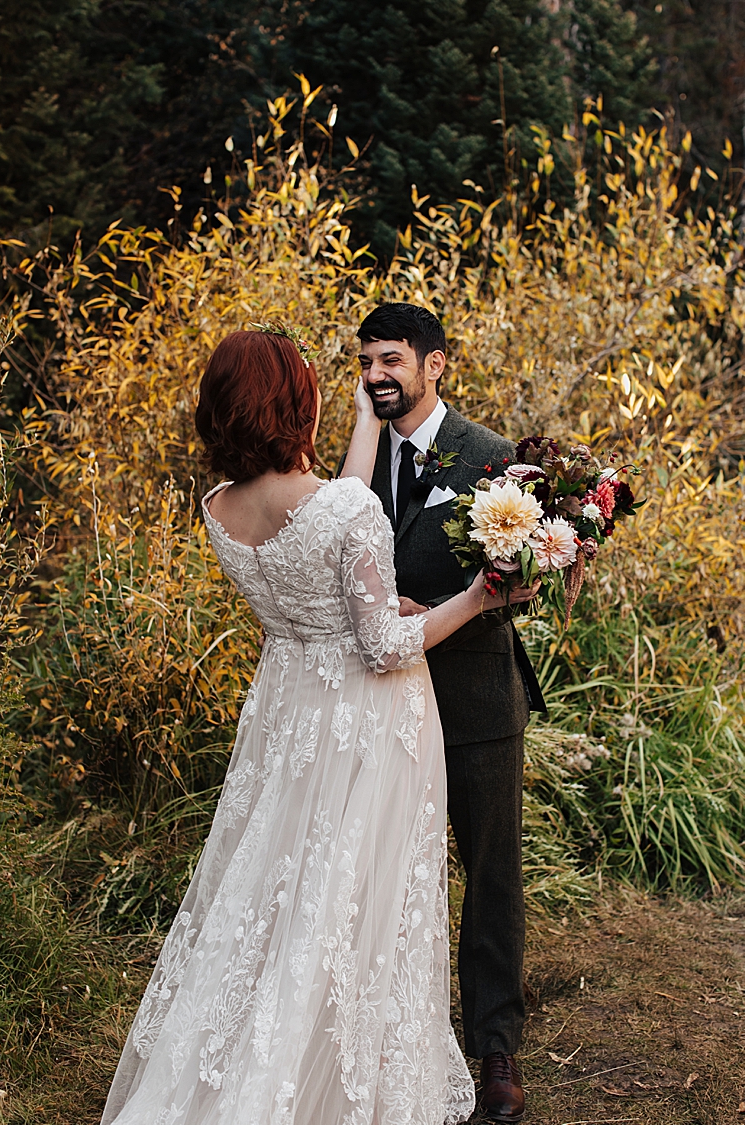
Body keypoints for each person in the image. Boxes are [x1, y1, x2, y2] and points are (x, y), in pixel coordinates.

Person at [101, 329, 537, 1125]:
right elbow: (381, 643)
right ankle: (339, 1068)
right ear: (289, 403)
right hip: (370, 722)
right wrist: (476, 599)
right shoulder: (345, 508)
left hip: (291, 712)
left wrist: (367, 425)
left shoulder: (220, 510)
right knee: (360, 893)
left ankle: (262, 1048)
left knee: (287, 888)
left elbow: (330, 517)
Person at [341, 302, 545, 1122]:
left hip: (476, 704)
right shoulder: (354, 462)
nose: (377, 375)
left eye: (391, 359)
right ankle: (384, 1036)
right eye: (367, 362)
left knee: (491, 874)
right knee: (385, 876)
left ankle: (495, 1047)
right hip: (384, 706)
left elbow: (518, 585)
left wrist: (434, 606)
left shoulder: (494, 460)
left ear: (436, 366)